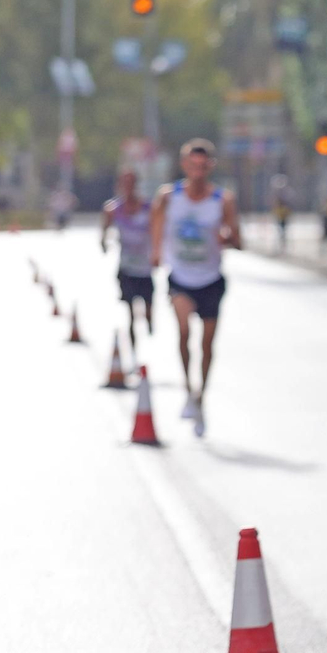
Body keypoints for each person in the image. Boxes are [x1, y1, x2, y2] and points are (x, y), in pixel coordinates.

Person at [149, 139, 242, 438]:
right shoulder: (168, 196)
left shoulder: (222, 199)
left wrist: (225, 237)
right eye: (192, 165)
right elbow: (156, 223)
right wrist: (155, 253)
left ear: (210, 167)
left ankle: (201, 394)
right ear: (184, 165)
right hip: (180, 277)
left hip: (211, 279)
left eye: (203, 166)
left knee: (206, 344)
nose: (197, 171)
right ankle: (188, 389)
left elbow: (238, 240)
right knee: (184, 332)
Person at [100, 170, 155, 361]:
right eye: (125, 183)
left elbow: (159, 230)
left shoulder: (149, 207)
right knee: (130, 312)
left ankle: (149, 317)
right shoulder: (113, 209)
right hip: (126, 267)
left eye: (131, 183)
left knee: (147, 306)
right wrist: (104, 242)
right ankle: (133, 347)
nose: (128, 187)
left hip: (146, 268)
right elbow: (104, 230)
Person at [270, 174, 292, 254]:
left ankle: (283, 244)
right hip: (279, 213)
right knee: (280, 230)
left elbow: (289, 203)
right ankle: (281, 244)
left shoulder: (286, 193)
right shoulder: (277, 194)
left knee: (283, 229)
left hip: (284, 213)